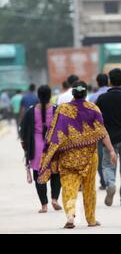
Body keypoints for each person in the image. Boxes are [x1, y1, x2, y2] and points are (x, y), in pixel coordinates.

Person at [37, 81, 117, 229]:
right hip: (89, 157)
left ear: (73, 94)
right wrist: (111, 150)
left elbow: (53, 134)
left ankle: (70, 216)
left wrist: (49, 154)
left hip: (68, 158)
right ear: (86, 93)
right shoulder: (93, 108)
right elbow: (102, 132)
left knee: (68, 187)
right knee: (89, 188)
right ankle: (91, 219)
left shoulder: (62, 109)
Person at [20, 85, 62, 213]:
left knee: (39, 175)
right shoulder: (56, 109)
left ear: (38, 96)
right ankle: (54, 199)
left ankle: (44, 205)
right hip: (53, 145)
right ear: (50, 95)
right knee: (55, 173)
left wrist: (25, 145)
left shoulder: (31, 111)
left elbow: (23, 129)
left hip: (37, 146)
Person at [96, 69, 121, 207]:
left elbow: (97, 119)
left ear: (109, 81)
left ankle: (110, 184)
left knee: (107, 165)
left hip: (108, 139)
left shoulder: (101, 99)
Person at [89, 73, 110, 190]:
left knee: (100, 157)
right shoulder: (113, 93)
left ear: (97, 82)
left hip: (98, 130)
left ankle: (104, 181)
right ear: (108, 81)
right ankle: (111, 179)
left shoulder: (93, 97)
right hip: (114, 129)